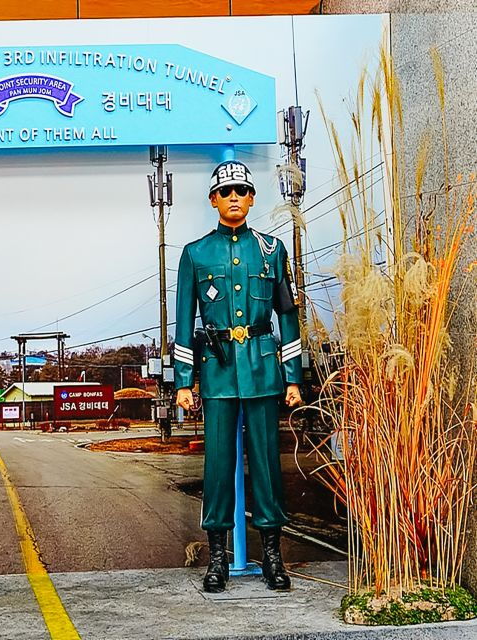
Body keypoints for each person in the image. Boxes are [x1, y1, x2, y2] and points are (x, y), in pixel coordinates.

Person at [174, 160, 302, 593]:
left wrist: (292, 377)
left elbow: (288, 317)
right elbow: (183, 322)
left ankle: (272, 557)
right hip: (218, 370)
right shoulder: (196, 254)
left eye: (241, 191)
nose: (234, 198)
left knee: (267, 464)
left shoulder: (272, 250)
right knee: (217, 467)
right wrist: (183, 381)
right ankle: (218, 558)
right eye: (225, 191)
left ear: (252, 198)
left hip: (263, 369)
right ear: (213, 200)